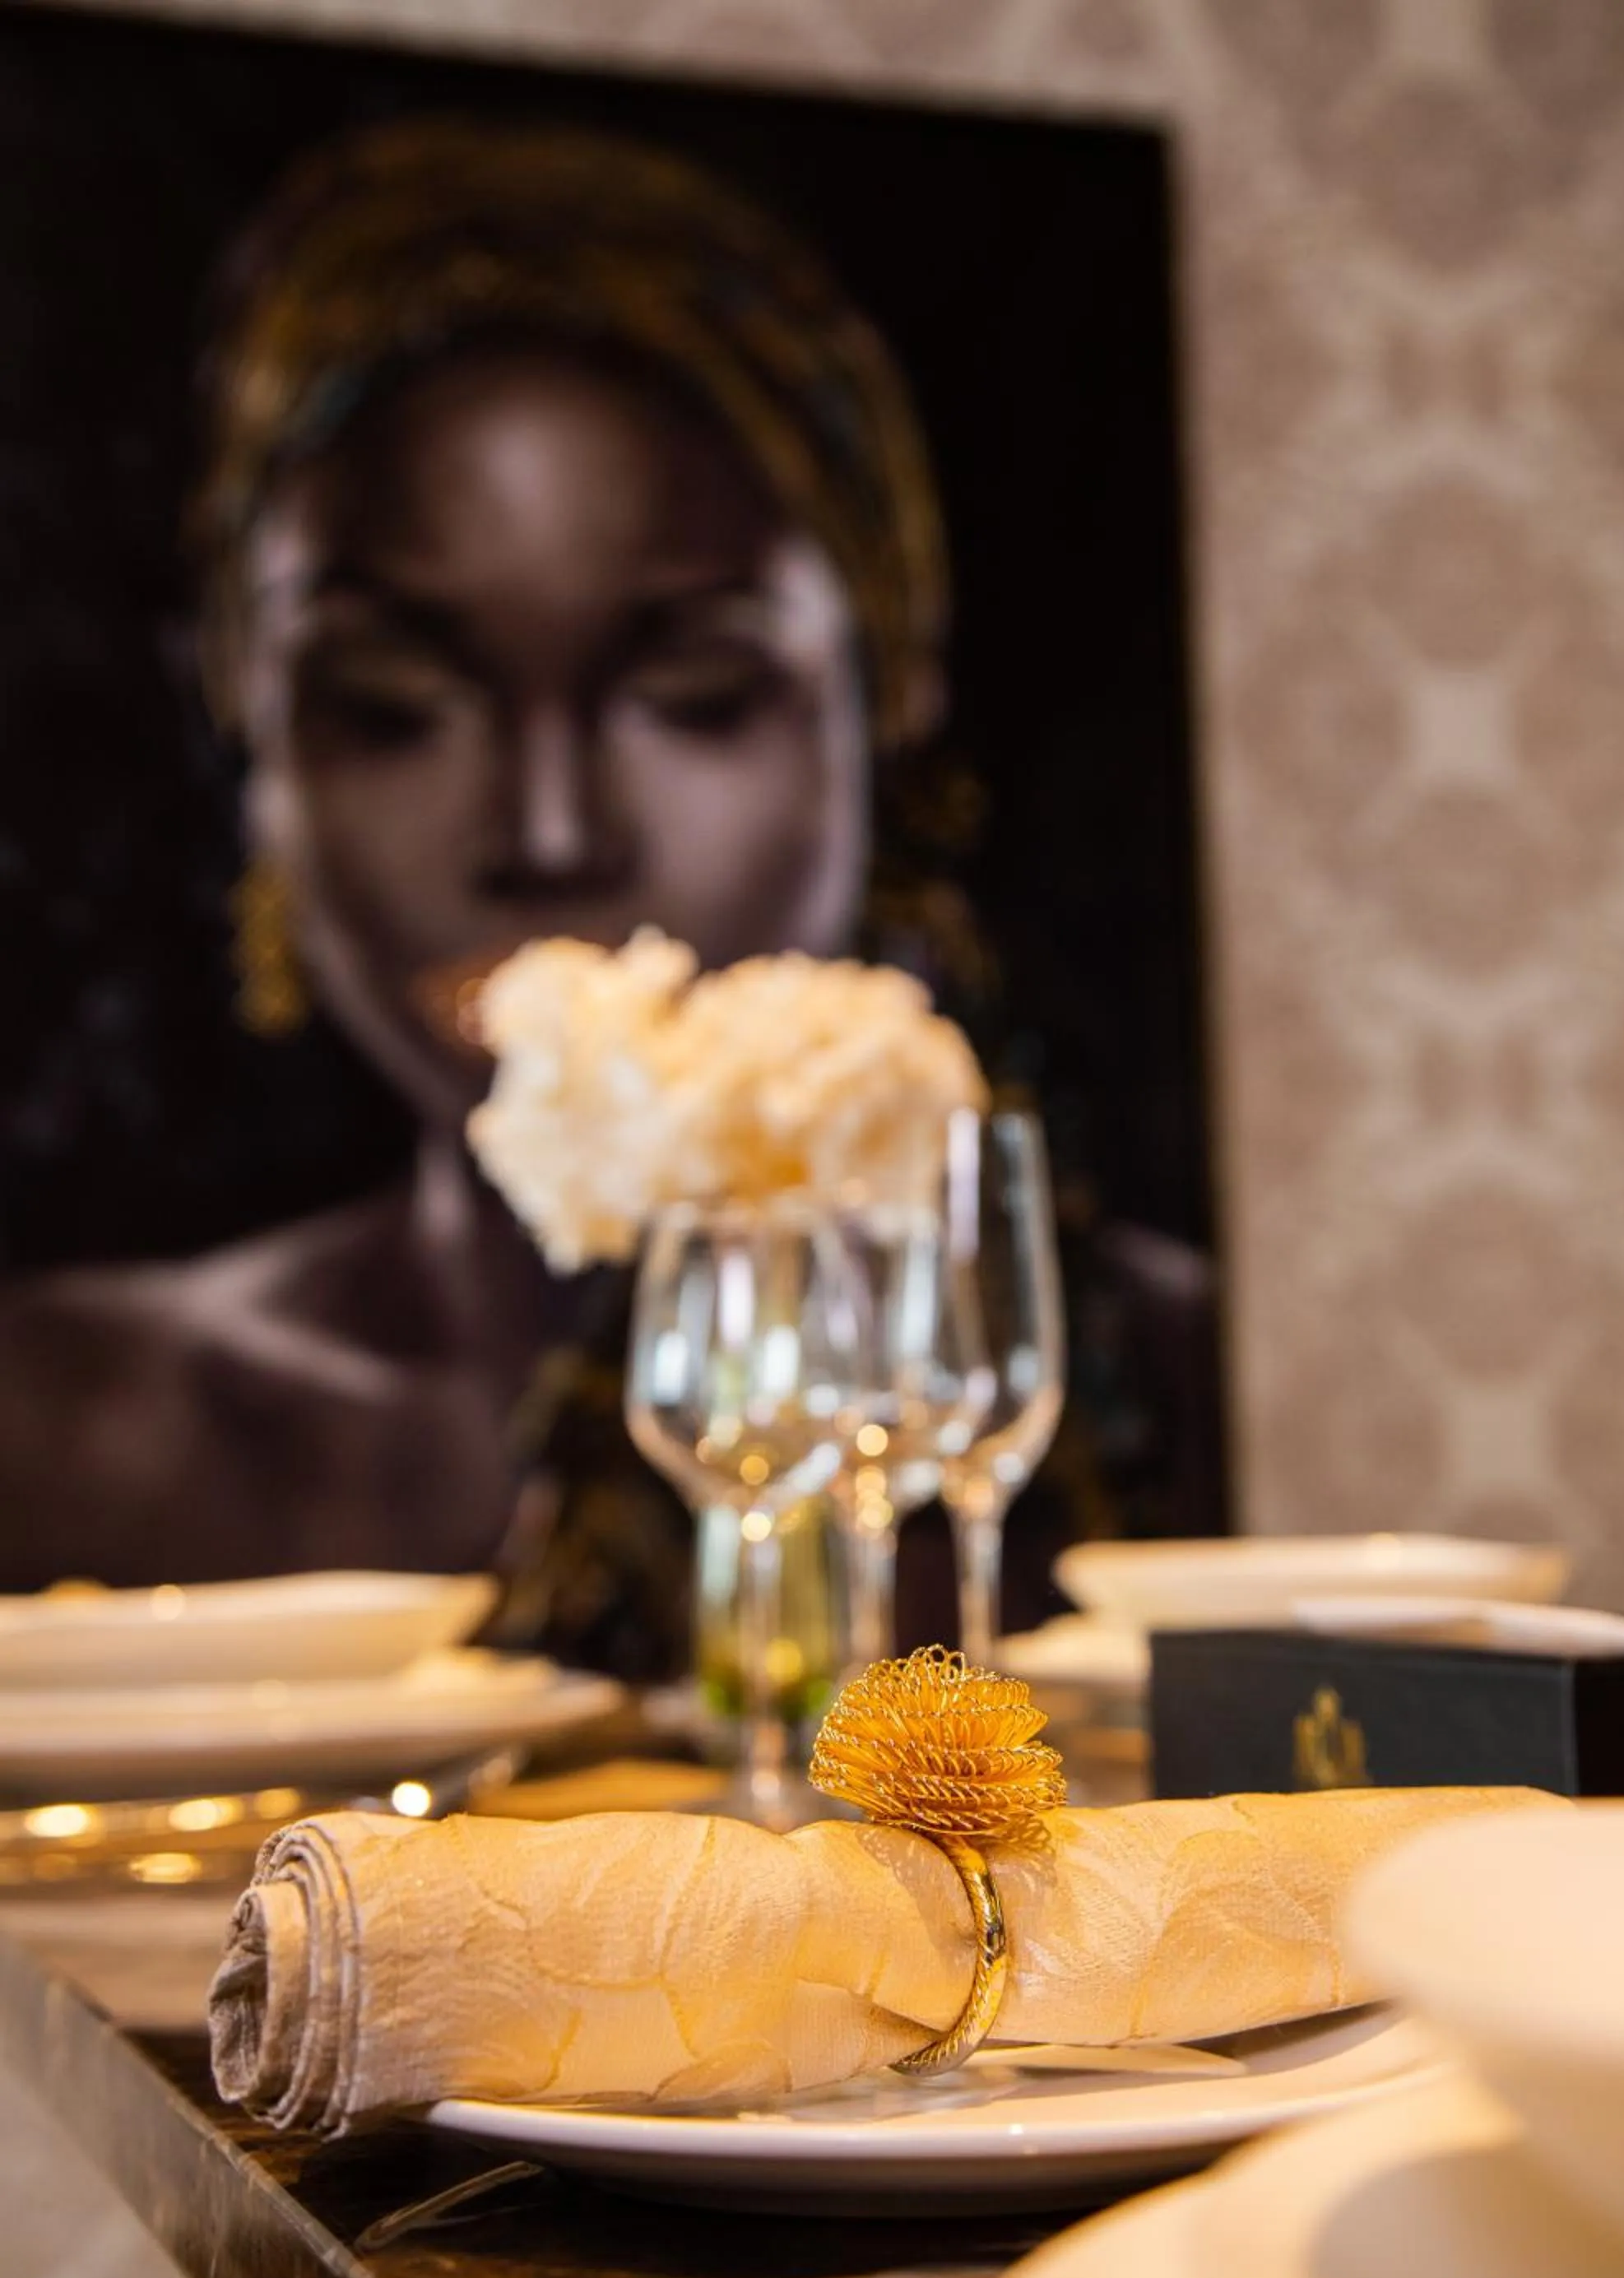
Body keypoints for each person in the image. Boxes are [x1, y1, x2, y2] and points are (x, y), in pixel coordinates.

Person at [0, 120, 1218, 1661]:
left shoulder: (1145, 1362)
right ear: (253, 720)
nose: (551, 834)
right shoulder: (69, 1419)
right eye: (393, 702)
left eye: (696, 694)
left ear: (887, 692)